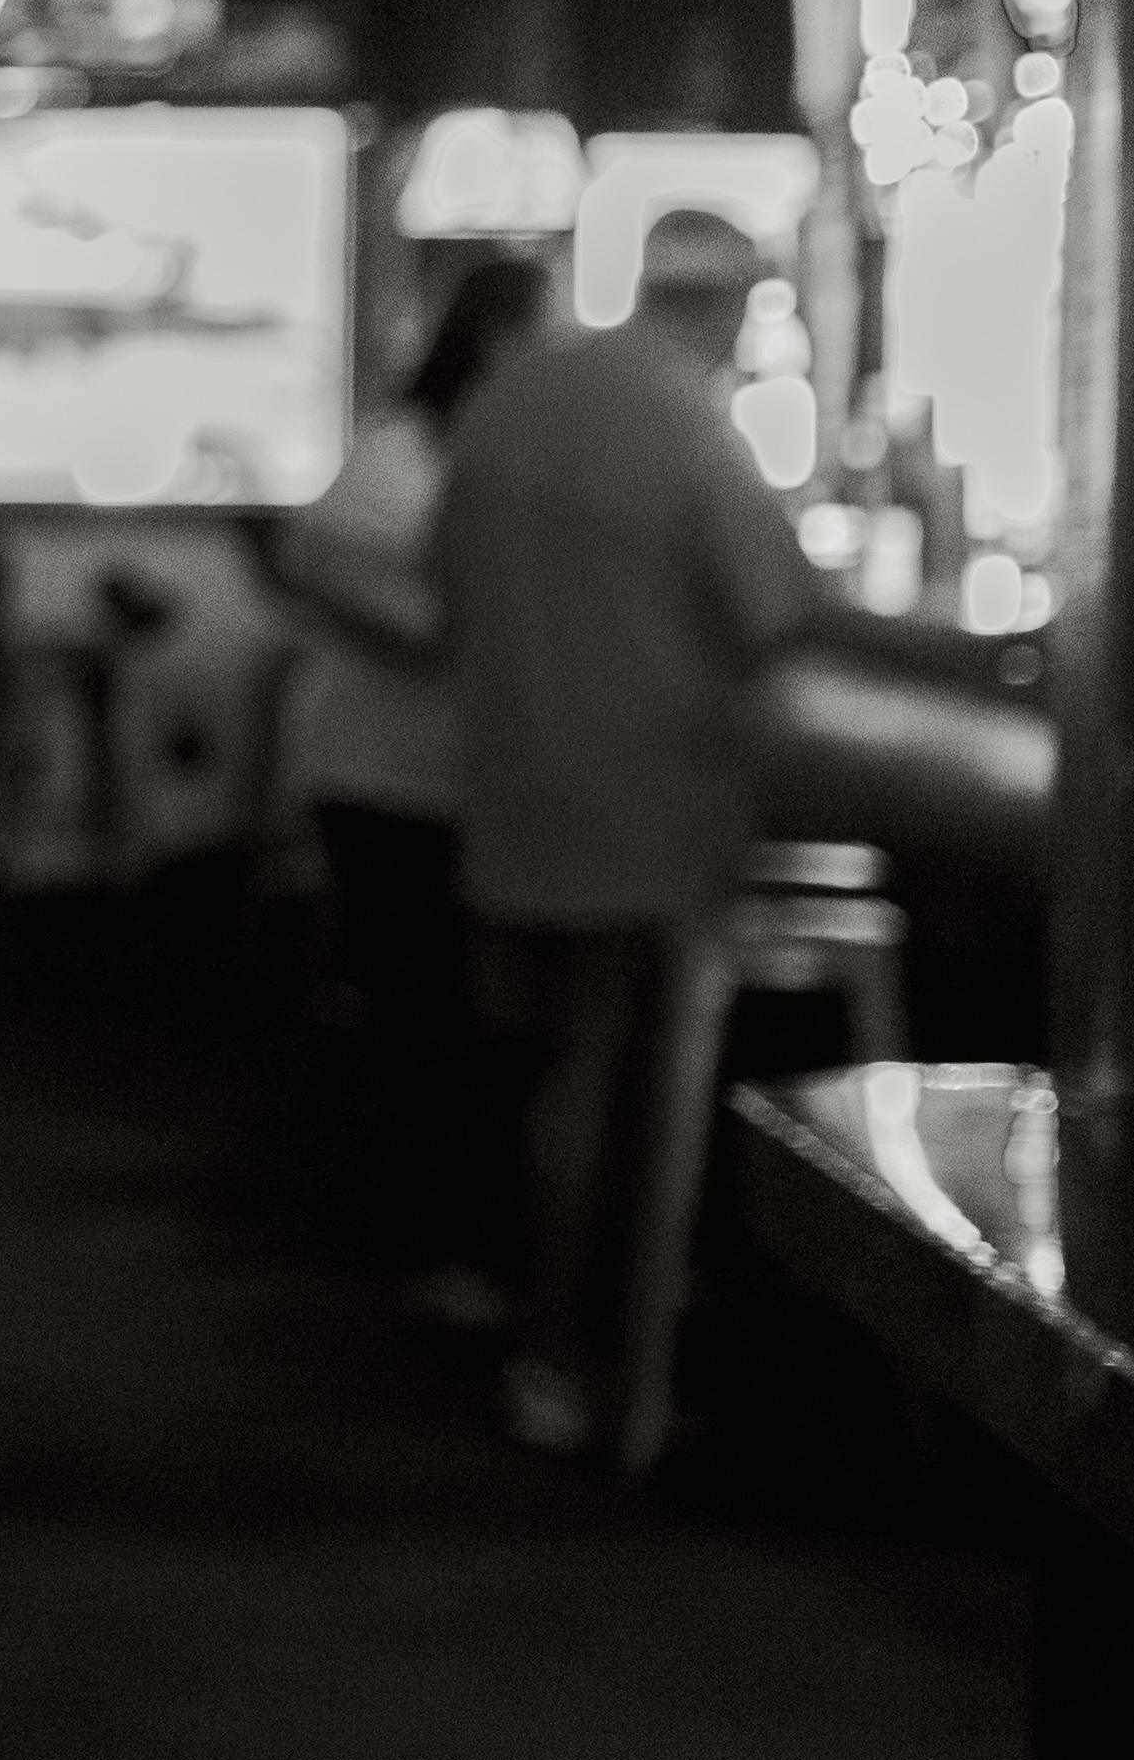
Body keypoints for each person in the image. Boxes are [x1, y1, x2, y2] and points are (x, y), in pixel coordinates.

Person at [442, 207, 822, 1470]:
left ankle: (545, 1345)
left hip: (509, 796)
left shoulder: (510, 398)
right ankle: (592, 1365)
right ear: (725, 308)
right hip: (648, 807)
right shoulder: (685, 418)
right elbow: (771, 610)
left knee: (546, 1067)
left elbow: (442, 580)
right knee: (612, 1081)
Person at [273, 253, 554, 1321]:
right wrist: (457, 630)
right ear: (495, 340)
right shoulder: (404, 454)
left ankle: (454, 1244)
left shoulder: (466, 450)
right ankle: (437, 1250)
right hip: (388, 777)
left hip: (446, 777)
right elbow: (322, 563)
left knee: (447, 1012)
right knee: (429, 1011)